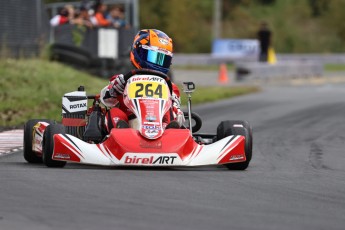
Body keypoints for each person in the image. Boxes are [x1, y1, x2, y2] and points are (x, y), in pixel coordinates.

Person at [100, 29, 184, 132]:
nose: (158, 63)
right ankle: (121, 131)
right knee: (114, 113)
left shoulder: (170, 86)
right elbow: (105, 100)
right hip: (128, 125)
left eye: (163, 59)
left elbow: (178, 112)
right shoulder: (122, 80)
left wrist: (176, 109)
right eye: (154, 57)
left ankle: (170, 131)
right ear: (139, 52)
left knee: (171, 113)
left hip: (160, 127)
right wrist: (114, 89)